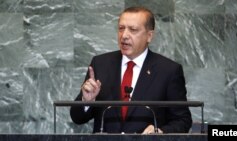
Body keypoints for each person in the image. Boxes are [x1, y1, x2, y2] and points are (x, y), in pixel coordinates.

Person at [70, 6, 192, 134]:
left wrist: (160, 131)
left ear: (149, 36)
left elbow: (183, 120)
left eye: (133, 30)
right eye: (121, 28)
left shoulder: (168, 70)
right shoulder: (100, 64)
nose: (124, 36)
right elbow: (77, 118)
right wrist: (87, 102)